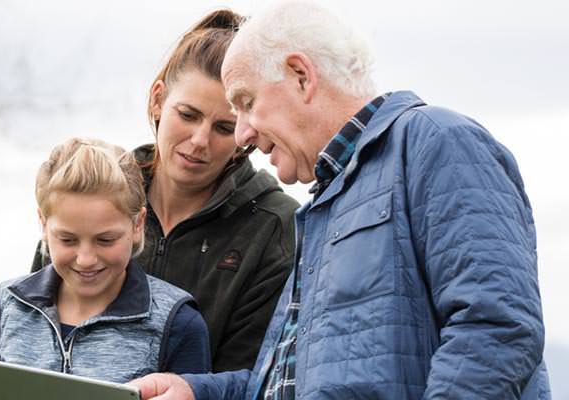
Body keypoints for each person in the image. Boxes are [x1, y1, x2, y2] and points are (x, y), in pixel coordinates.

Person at [130, 1, 549, 399]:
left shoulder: (435, 141)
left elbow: (496, 328)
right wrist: (196, 391)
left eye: (246, 103)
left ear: (300, 76)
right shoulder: (323, 207)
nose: (243, 136)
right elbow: (289, 383)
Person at [31, 9, 299, 372]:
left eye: (224, 127)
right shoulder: (91, 194)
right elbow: (33, 328)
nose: (200, 140)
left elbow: (249, 378)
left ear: (247, 129)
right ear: (158, 100)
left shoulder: (274, 228)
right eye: (187, 115)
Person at [0, 138, 211, 400]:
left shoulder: (178, 324)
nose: (86, 259)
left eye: (106, 240)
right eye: (67, 240)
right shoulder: (1, 310)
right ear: (43, 224)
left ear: (138, 224)